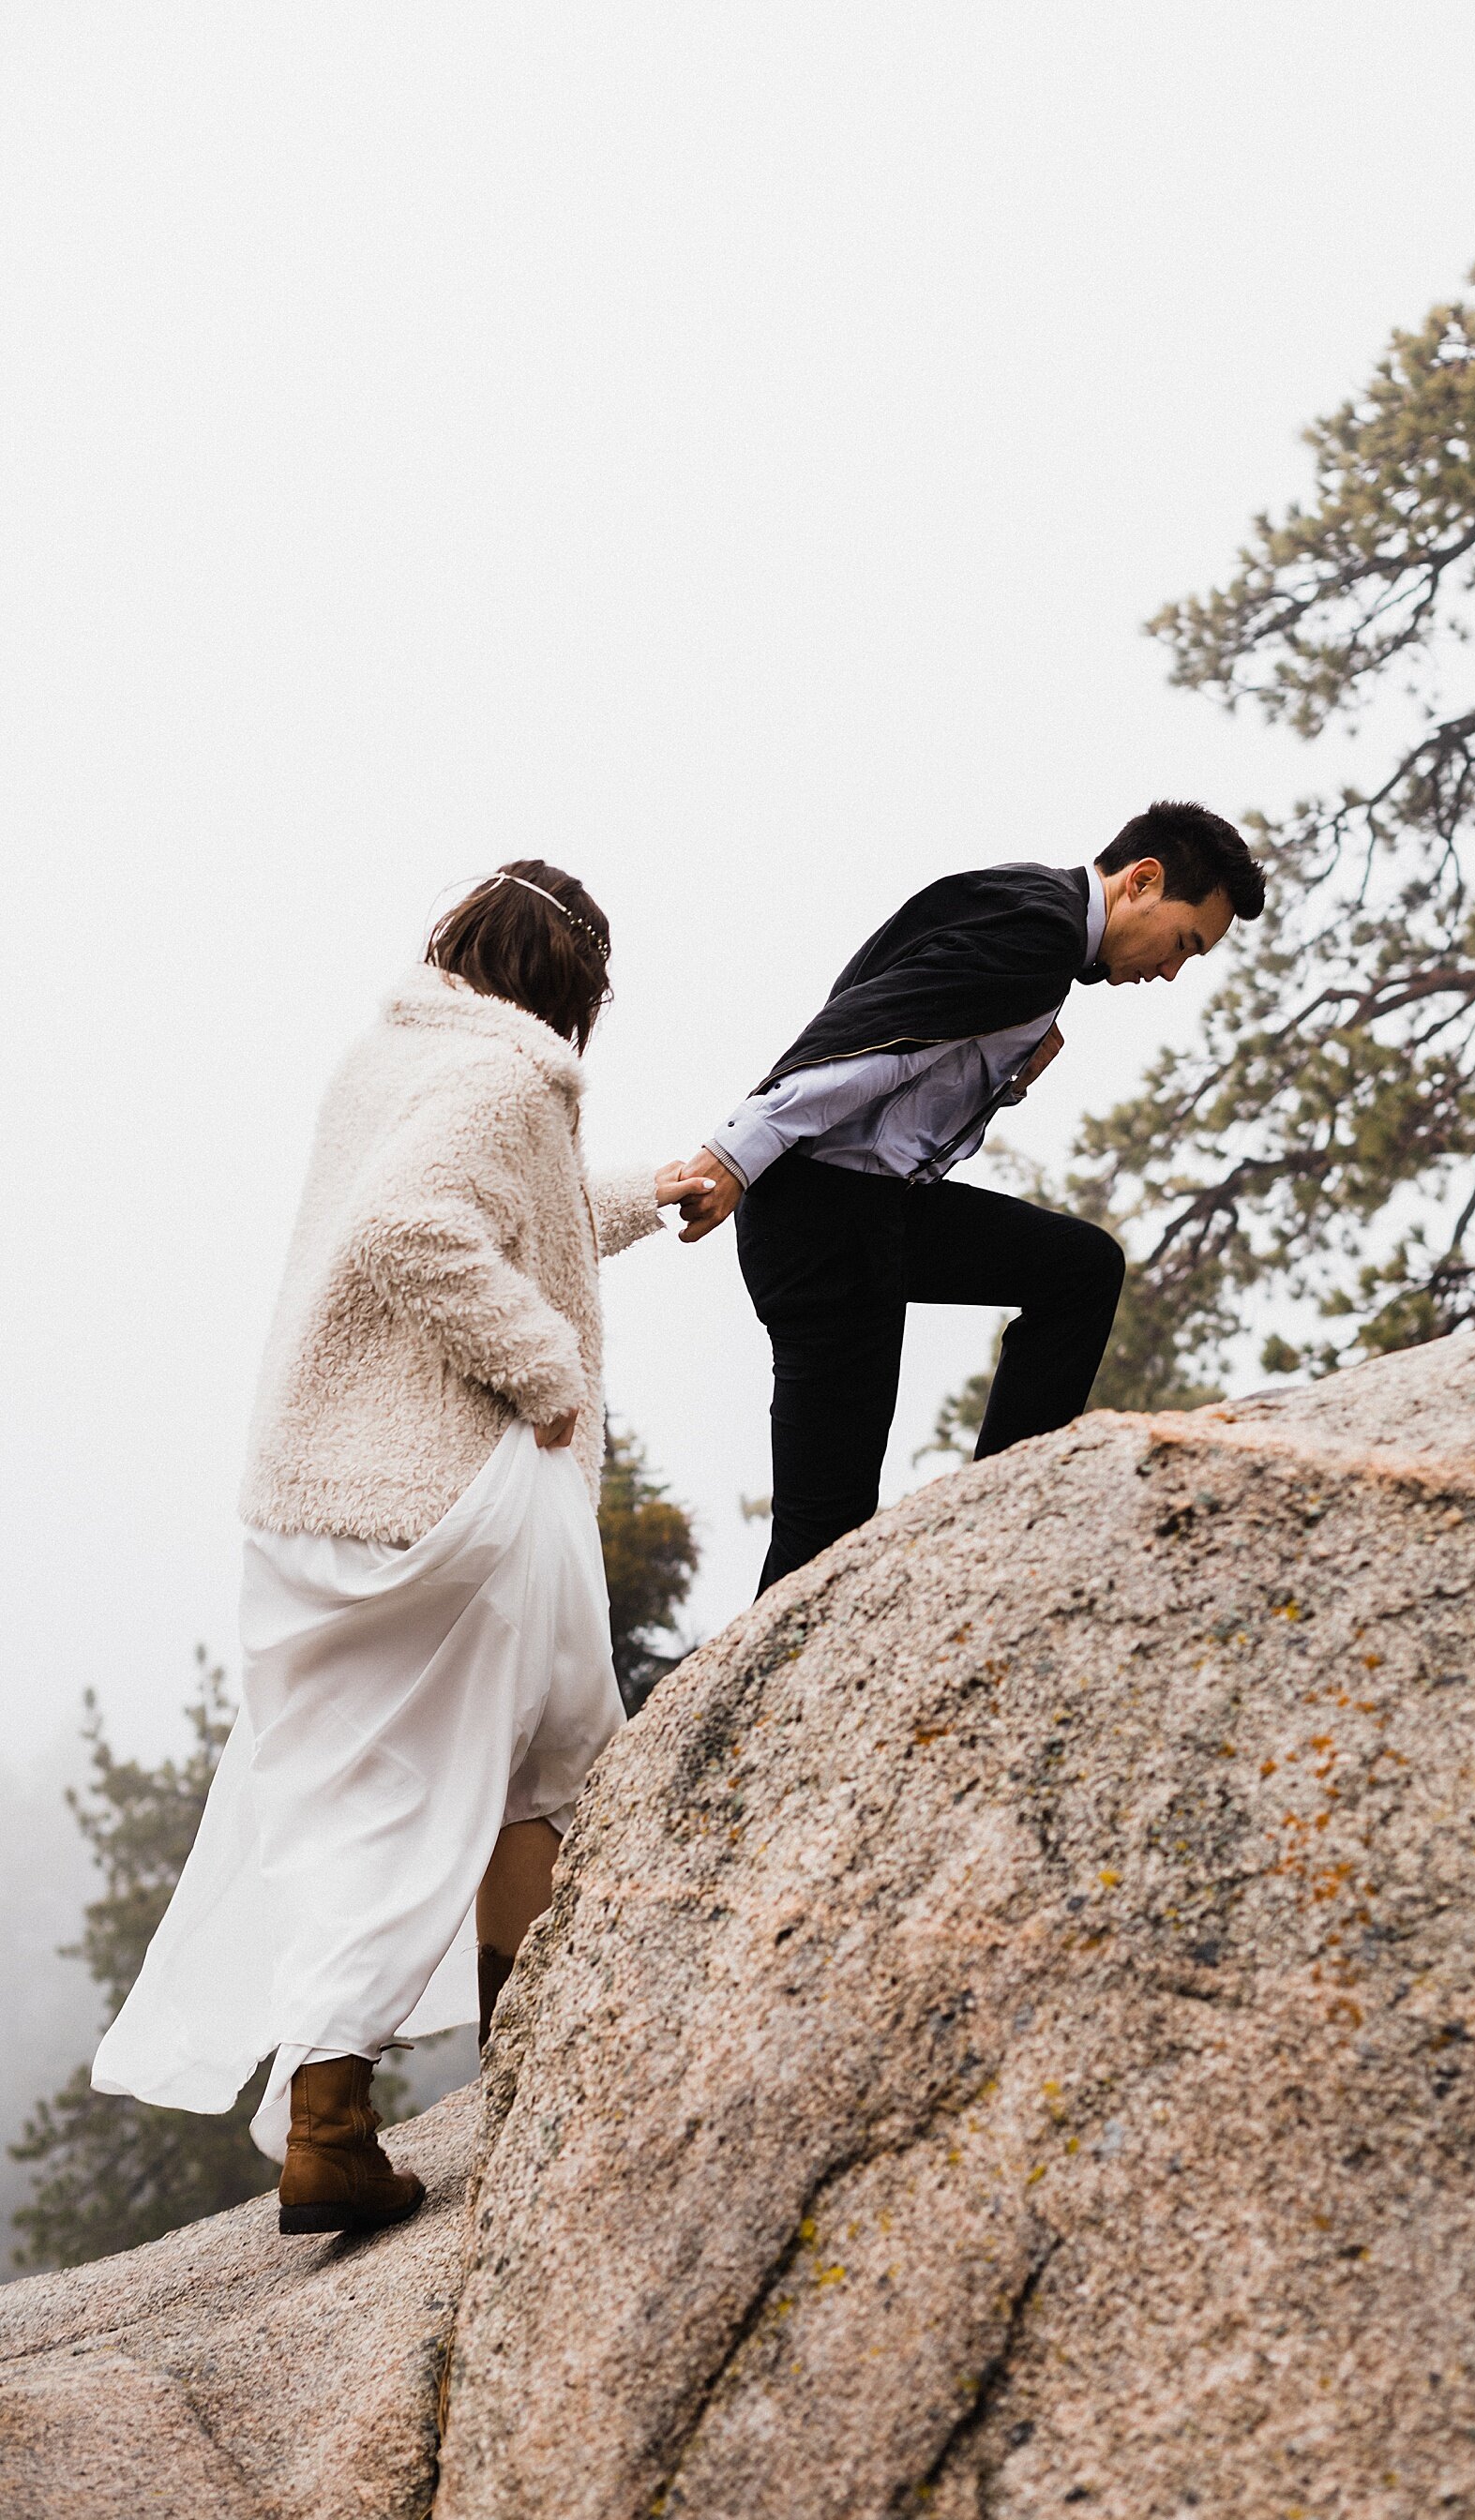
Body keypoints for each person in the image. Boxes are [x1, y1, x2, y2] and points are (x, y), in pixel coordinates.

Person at [92, 862, 708, 2236]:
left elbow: (517, 1214)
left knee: (358, 1801)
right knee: (537, 1771)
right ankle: (523, 2086)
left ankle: (332, 2126)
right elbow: (414, 1229)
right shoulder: (508, 1085)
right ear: (572, 992)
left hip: (313, 1500)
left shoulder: (400, 1058)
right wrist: (544, 1369)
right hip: (444, 1500)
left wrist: (650, 1193)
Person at [677, 801, 1265, 1594]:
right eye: (1185, 944)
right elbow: (870, 1045)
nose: (1170, 972)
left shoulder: (1029, 913)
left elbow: (916, 1045)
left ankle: (1003, 1513)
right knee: (826, 1531)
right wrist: (735, 1153)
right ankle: (760, 1709)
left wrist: (1006, 1076)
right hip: (822, 1216)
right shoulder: (1039, 934)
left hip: (875, 1204)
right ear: (1144, 881)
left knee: (1080, 1269)